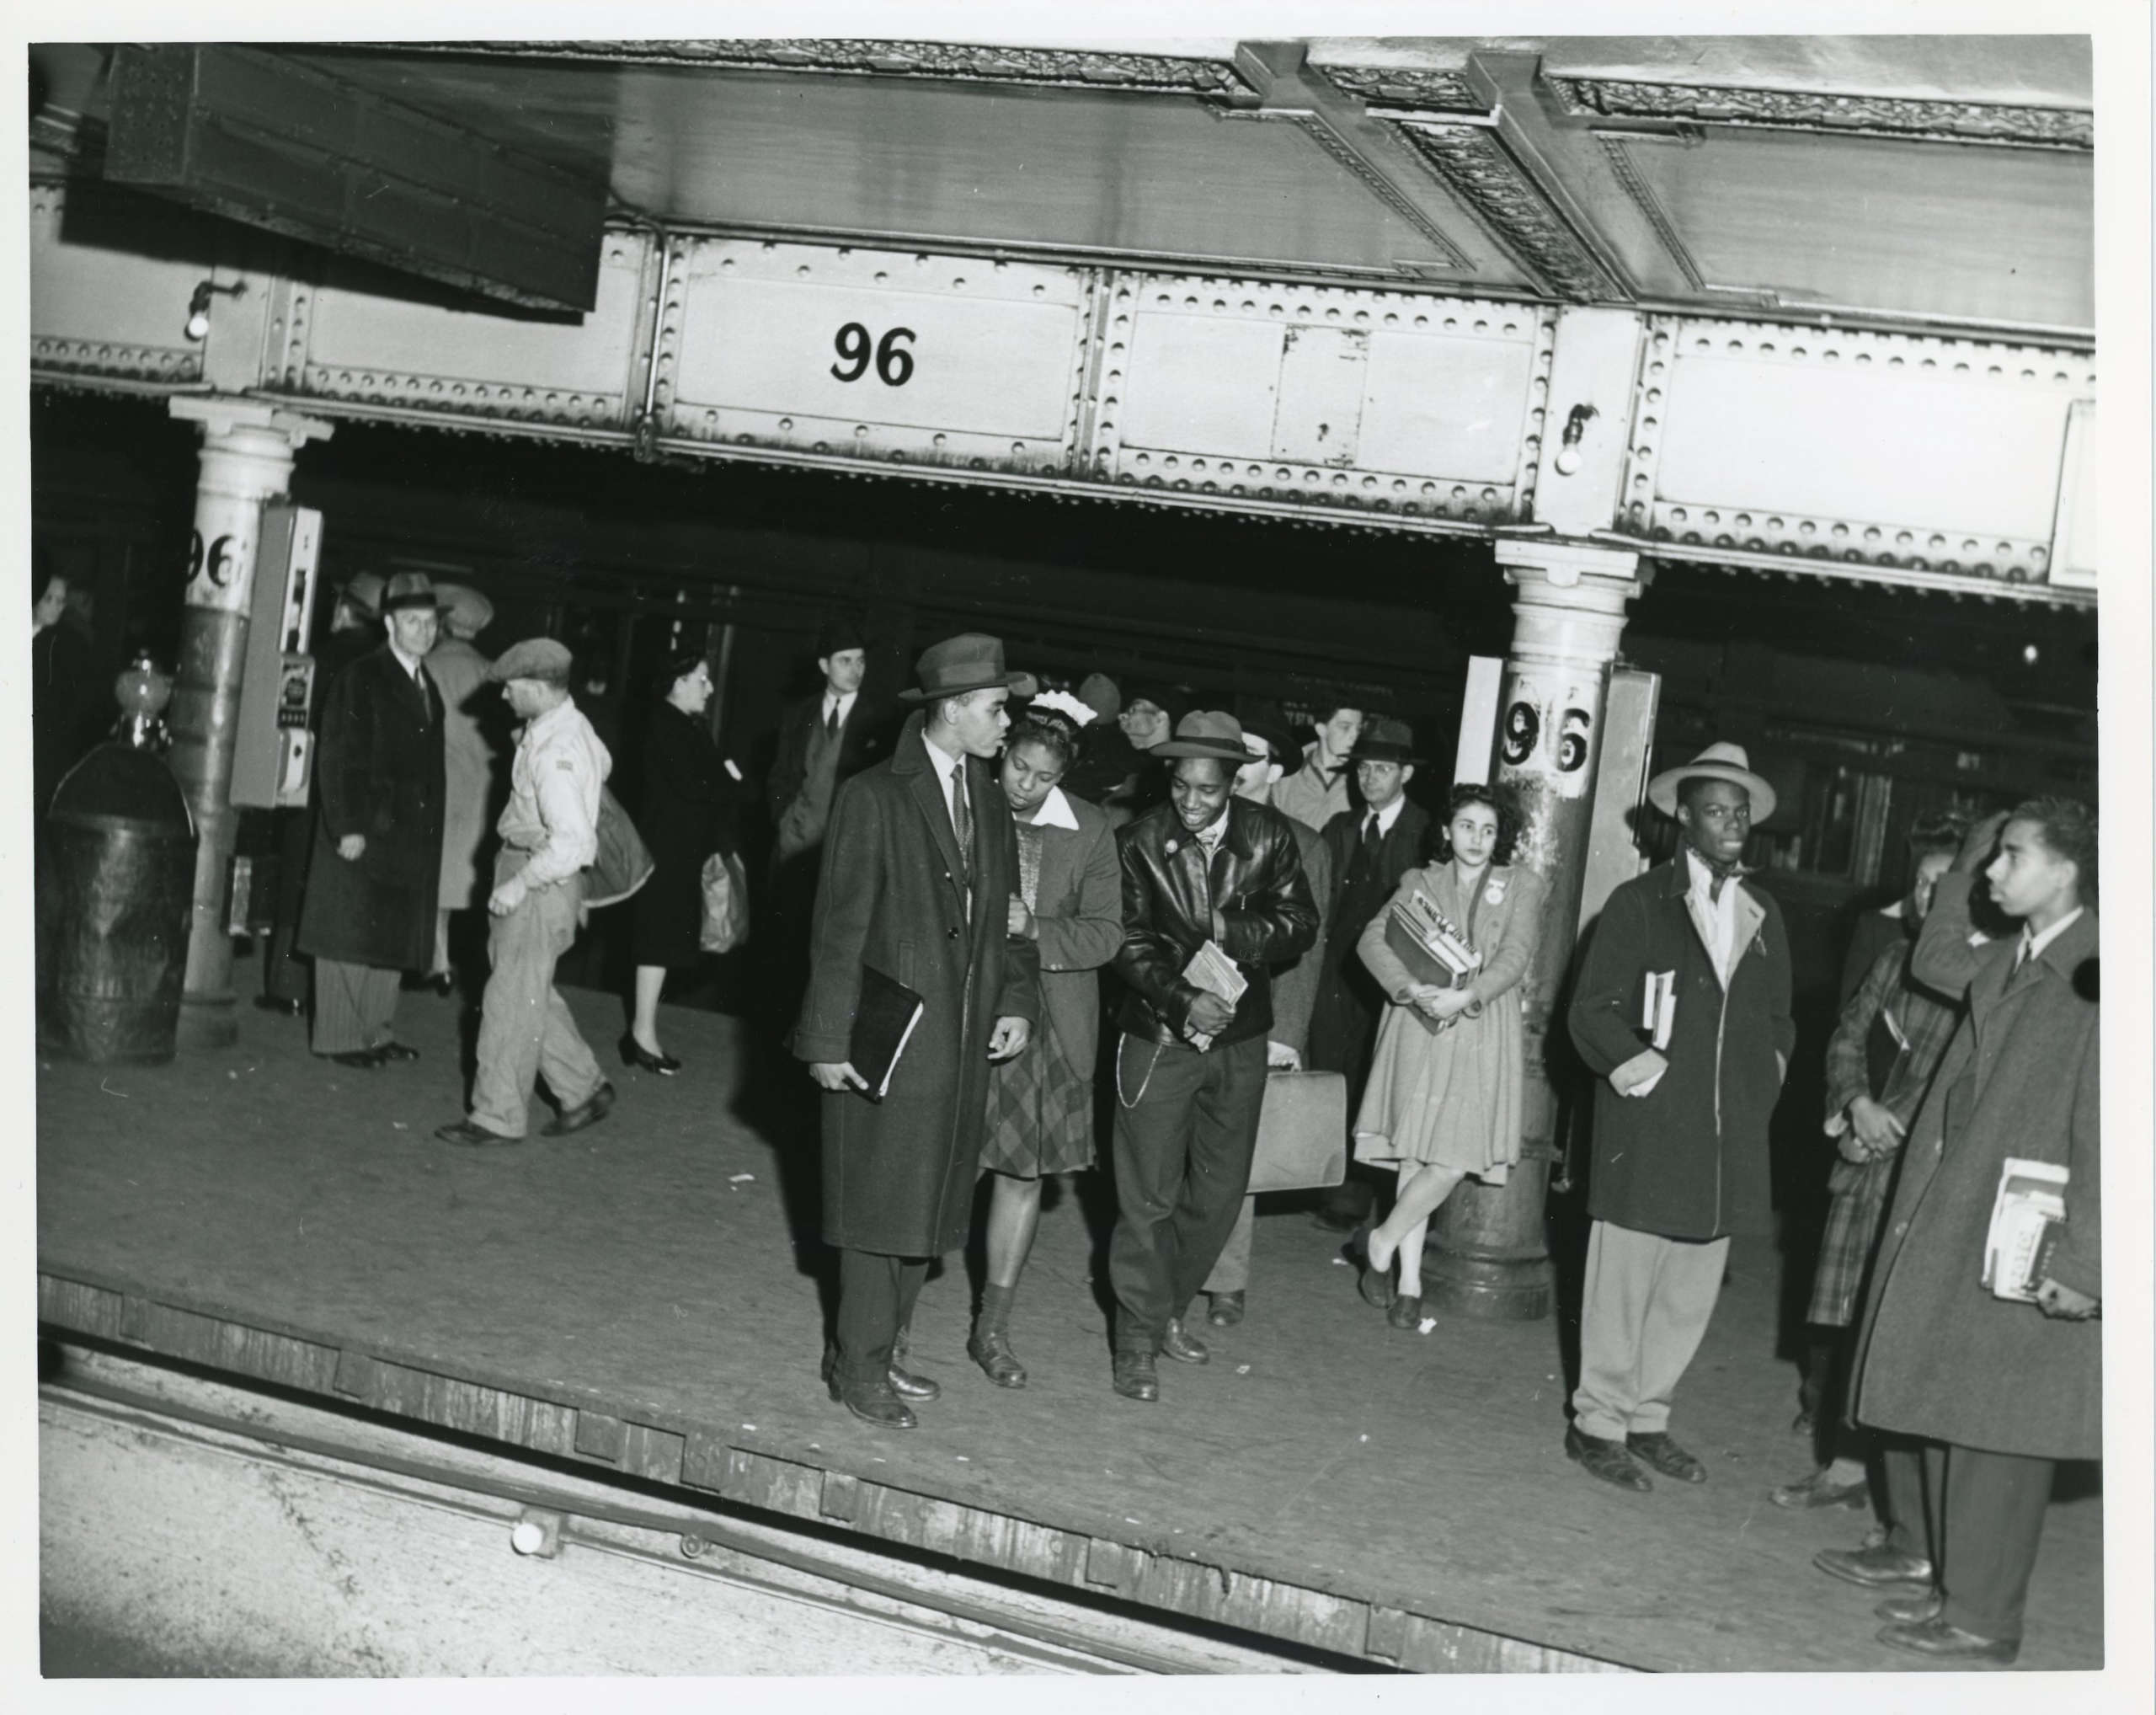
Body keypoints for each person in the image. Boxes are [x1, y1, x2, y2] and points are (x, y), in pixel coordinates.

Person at [1819, 801, 2099, 1665]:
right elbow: (1938, 954)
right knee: (1962, 1410)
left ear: (2067, 870)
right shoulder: (2019, 955)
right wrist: (1989, 827)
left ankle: (1981, 1617)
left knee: (2002, 1429)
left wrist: (2088, 1259)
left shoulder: (2096, 969)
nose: (1989, 873)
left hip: (2035, 1226)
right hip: (1978, 1209)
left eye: (2011, 856)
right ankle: (1951, 1585)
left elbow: (2113, 1125)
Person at [793, 633, 1041, 1429]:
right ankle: (858, 1368)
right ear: (956, 709)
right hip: (891, 1034)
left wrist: (1017, 1001)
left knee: (928, 1198)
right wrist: (827, 1041)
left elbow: (1008, 922)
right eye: (999, 709)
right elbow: (838, 929)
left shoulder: (990, 796)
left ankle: (880, 1347)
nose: (1009, 723)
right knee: (877, 1199)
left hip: (962, 1039)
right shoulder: (874, 796)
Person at [1565, 741, 1794, 1492]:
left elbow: (1781, 1020)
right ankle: (1597, 1422)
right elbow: (1590, 1011)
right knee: (1624, 1283)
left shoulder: (1763, 915)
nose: (1733, 825)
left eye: (1741, 813)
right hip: (1650, 1126)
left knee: (1689, 1290)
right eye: (1717, 812)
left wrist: (1763, 1084)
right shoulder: (1638, 904)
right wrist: (1645, 1074)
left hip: (1728, 1136)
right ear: (1683, 820)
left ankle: (1647, 1418)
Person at [1106, 711, 1319, 1402]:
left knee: (1220, 1196)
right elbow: (1128, 942)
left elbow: (1300, 924)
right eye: (1181, 788)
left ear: (1234, 781)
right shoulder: (1137, 842)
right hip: (1160, 1037)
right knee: (1148, 1198)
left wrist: (1229, 928)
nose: (1191, 804)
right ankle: (1136, 1341)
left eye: (1208, 789)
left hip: (1241, 1037)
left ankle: (1167, 1306)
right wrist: (1180, 1000)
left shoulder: (1268, 835)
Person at [1774, 814, 1969, 1507]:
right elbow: (1848, 1036)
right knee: (1853, 1322)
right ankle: (1849, 1468)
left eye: (1940, 886)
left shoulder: (1980, 976)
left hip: (1924, 1176)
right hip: (1866, 1161)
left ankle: (1894, 1492)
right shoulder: (1895, 959)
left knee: (1903, 1331)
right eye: (1918, 883)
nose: (1924, 896)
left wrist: (1894, 1123)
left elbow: (1961, 1077)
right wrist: (1856, 1104)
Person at [1351, 783, 1547, 1328]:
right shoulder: (1420, 882)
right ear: (1446, 830)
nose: (1477, 839)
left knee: (1453, 1159)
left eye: (1489, 830)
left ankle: (1381, 1242)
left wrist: (1470, 994)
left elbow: (1516, 954)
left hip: (1479, 1026)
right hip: (1419, 1024)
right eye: (1466, 826)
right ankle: (1409, 1288)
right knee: (1414, 1154)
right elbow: (1372, 940)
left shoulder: (1521, 885)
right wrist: (1408, 988)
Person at [969, 705, 1123, 1388]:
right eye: (1017, 768)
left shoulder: (1090, 829)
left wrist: (1033, 926)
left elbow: (1106, 934)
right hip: (962, 1010)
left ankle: (991, 1329)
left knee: (1022, 1176)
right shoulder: (966, 803)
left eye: (1043, 777)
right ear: (1001, 754)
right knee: (938, 1166)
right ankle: (896, 1321)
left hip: (1049, 1026)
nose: (1025, 786)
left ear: (1064, 777)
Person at [435, 639, 617, 1147]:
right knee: (527, 990)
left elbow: (574, 842)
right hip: (543, 876)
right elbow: (602, 764)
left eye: (512, 688)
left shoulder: (554, 747)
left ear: (538, 688)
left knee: (509, 999)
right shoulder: (570, 727)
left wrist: (519, 884)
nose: (505, 697)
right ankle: (583, 1088)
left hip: (539, 877)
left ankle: (496, 1116)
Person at [1201, 709, 1331, 1328]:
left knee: (1238, 1152)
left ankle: (1226, 1279)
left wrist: (1286, 1035)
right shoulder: (1191, 823)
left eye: (1249, 753)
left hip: (1259, 1020)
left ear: (1276, 769)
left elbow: (1309, 954)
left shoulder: (1305, 845)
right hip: (1184, 1008)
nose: (1237, 763)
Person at [295, 572, 447, 1069]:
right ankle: (340, 1038)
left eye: (429, 623)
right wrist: (346, 826)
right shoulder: (362, 676)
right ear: (388, 623)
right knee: (348, 931)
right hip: (367, 824)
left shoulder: (428, 686)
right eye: (413, 622)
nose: (424, 631)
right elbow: (337, 755)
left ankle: (375, 1032)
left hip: (407, 832)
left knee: (389, 934)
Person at [1308, 716, 1433, 1231]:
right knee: (1331, 1070)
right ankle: (1325, 1180)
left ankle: (1356, 1194)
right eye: (1364, 768)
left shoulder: (1425, 833)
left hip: (1392, 977)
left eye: (1383, 769)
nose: (1370, 778)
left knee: (1375, 1077)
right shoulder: (1339, 829)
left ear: (1406, 774)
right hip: (1336, 973)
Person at [259, 571, 386, 1017]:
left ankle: (287, 985)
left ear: (344, 609)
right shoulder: (383, 664)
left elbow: (286, 718)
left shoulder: (317, 657)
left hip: (308, 786)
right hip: (360, 799)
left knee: (297, 879)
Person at [766, 615, 893, 1020]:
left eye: (860, 660)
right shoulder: (797, 713)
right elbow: (781, 775)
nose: (855, 669)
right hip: (795, 847)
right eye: (844, 660)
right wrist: (785, 819)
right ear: (824, 666)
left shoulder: (879, 719)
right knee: (787, 945)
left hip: (844, 854)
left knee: (833, 949)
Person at [624, 649, 742, 1074]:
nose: (709, 688)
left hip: (679, 850)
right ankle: (642, 1036)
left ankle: (642, 1031)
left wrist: (723, 780)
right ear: (678, 684)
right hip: (667, 851)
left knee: (662, 943)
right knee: (658, 942)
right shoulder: (666, 725)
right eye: (701, 679)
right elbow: (703, 785)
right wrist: (727, 778)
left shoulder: (683, 725)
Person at [425, 583, 500, 992]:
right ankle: (481, 967)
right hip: (484, 792)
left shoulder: (428, 668)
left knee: (437, 880)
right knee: (477, 882)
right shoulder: (491, 672)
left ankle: (438, 964)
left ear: (443, 624)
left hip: (443, 788)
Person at [32, 550, 98, 816]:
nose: (57, 607)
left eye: (61, 601)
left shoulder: (64, 645)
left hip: (44, 751)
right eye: (50, 599)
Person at [1268, 703, 1364, 835]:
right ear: (1321, 729)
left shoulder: (1364, 778)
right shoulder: (1289, 774)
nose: (1354, 736)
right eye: (1345, 727)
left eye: (1358, 729)